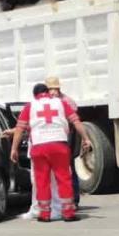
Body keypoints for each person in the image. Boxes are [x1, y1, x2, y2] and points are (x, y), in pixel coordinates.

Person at [10, 83, 92, 223]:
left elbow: (19, 129)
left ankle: (44, 214)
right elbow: (76, 121)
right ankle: (68, 212)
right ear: (47, 92)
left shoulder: (30, 106)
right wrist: (86, 138)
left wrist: (14, 149)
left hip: (39, 146)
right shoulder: (61, 103)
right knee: (64, 178)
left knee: (42, 180)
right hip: (59, 144)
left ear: (35, 95)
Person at [46, 76, 82, 208]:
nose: (53, 92)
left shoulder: (67, 101)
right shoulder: (46, 103)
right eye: (50, 89)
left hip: (67, 138)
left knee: (69, 168)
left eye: (55, 89)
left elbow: (74, 120)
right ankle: (60, 200)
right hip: (55, 139)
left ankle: (74, 199)